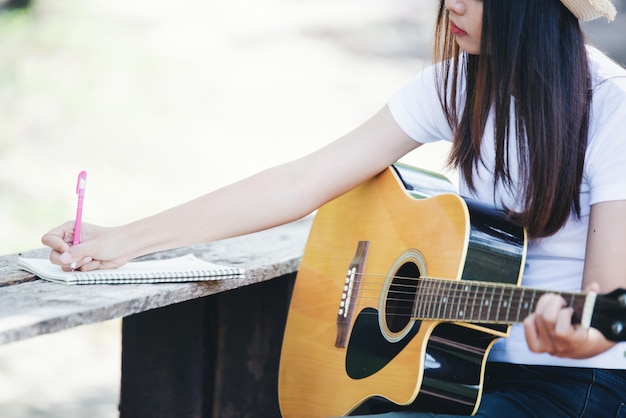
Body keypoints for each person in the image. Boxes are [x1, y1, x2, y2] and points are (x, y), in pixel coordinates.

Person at [42, 0, 626, 416]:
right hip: (453, 374)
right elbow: (298, 183)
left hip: (572, 386)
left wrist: (579, 337)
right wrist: (123, 240)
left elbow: (604, 309)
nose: (450, 4)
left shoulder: (609, 109)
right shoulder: (455, 87)